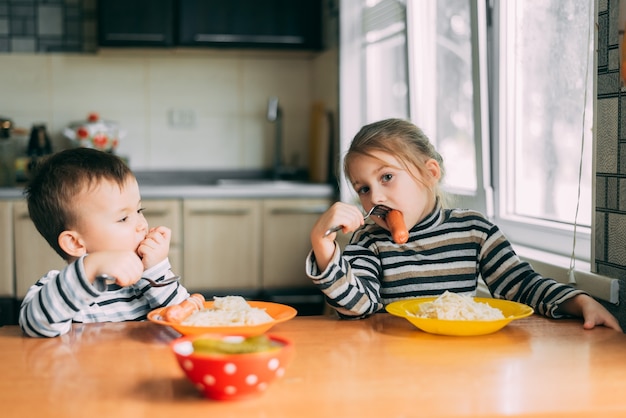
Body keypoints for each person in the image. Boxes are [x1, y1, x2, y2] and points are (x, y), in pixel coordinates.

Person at [306, 118, 622, 332]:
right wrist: (324, 248)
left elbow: (520, 285)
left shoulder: (474, 230)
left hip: (463, 360)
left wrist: (578, 301)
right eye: (363, 188)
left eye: (387, 177)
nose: (375, 195)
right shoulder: (368, 240)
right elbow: (358, 307)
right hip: (391, 357)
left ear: (430, 173)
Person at [19, 147, 191, 337]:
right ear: (75, 243)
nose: (141, 225)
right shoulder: (59, 289)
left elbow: (189, 321)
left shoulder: (145, 286)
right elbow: (36, 324)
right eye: (123, 218)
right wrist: (90, 267)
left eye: (139, 211)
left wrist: (156, 271)